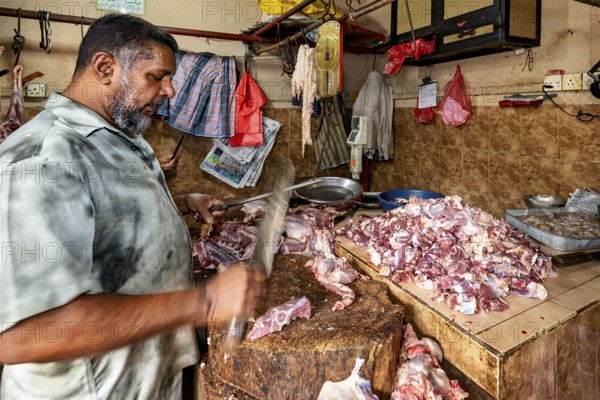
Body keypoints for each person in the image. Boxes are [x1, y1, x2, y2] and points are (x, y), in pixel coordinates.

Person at [0, 13, 264, 399]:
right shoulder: (41, 160)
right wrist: (205, 301)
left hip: (146, 378)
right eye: (157, 76)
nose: (170, 91)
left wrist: (177, 204)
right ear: (105, 67)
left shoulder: (119, 135)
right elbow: (21, 336)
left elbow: (98, 216)